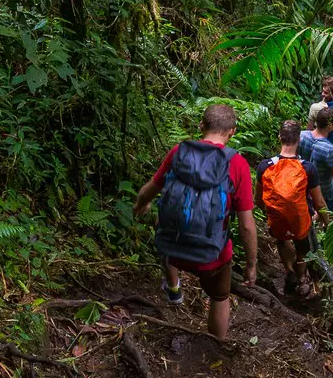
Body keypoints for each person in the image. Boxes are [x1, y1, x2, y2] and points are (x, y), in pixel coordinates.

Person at [133, 103, 258, 341]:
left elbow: (150, 189)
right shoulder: (237, 163)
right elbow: (246, 224)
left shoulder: (179, 151)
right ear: (232, 131)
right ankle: (215, 344)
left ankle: (173, 288)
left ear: (202, 126)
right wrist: (251, 264)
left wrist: (140, 205)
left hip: (173, 249)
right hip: (211, 257)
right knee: (220, 297)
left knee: (165, 219)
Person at [259, 117, 319, 300]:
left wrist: (270, 211)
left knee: (282, 239)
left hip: (277, 219)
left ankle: (289, 271)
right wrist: (323, 218)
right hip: (300, 219)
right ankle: (302, 278)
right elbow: (319, 202)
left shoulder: (265, 166)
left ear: (280, 137)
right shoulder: (307, 167)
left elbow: (258, 199)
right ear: (298, 140)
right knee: (302, 247)